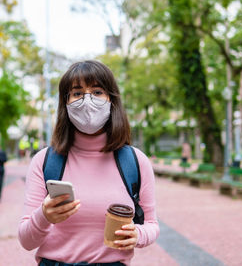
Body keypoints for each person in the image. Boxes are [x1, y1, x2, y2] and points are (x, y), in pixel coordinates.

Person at [18, 60, 159, 266]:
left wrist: (138, 234)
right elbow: (26, 240)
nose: (87, 100)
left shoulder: (135, 162)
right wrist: (44, 216)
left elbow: (152, 224)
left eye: (97, 92)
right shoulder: (44, 161)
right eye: (77, 93)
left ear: (112, 99)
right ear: (65, 104)